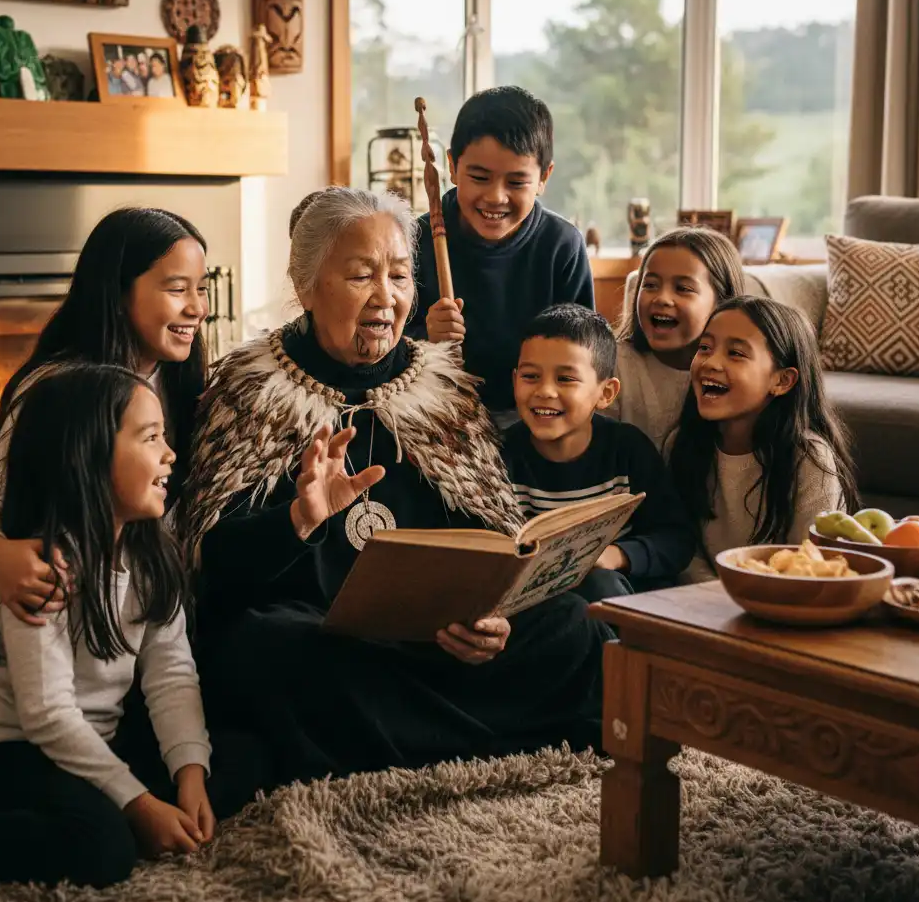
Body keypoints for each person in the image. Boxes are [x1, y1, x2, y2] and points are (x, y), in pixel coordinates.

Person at [176, 186, 613, 788]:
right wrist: (297, 521)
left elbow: (490, 537)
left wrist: (491, 616)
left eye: (401, 276)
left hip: (434, 640)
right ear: (306, 286)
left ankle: (401, 746)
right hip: (324, 636)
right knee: (267, 649)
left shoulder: (444, 389)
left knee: (571, 623)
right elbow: (211, 569)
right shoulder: (250, 391)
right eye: (361, 276)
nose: (387, 297)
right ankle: (485, 742)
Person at [0, 366, 260, 887]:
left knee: (244, 756)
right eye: (151, 437)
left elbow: (172, 674)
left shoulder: (152, 554)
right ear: (89, 457)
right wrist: (137, 804)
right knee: (102, 849)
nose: (170, 454)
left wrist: (189, 777)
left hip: (96, 735)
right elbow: (47, 715)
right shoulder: (41, 570)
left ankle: (126, 802)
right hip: (6, 750)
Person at [0, 207, 210, 721]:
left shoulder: (184, 386)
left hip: (123, 606)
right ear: (119, 292)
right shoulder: (57, 389)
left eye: (201, 289)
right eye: (176, 289)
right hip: (40, 601)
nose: (196, 309)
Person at [405, 86, 594, 423]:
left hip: (534, 418)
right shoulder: (413, 240)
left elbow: (583, 354)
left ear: (544, 178)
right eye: (479, 177)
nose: (496, 197)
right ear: (451, 165)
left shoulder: (562, 245)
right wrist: (425, 337)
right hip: (435, 414)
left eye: (516, 182)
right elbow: (384, 349)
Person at [504, 304, 694, 594]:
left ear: (605, 393)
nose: (544, 391)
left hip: (615, 595)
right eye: (531, 376)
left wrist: (616, 556)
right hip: (537, 604)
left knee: (598, 583)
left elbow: (676, 538)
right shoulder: (499, 455)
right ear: (515, 380)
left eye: (565, 379)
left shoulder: (627, 449)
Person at [668, 296, 859, 581]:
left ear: (782, 381)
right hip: (702, 601)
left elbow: (809, 564)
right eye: (705, 347)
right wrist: (716, 596)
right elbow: (681, 549)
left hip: (785, 604)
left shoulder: (809, 457)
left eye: (736, 353)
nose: (710, 362)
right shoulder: (681, 444)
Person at [607, 226, 746, 451]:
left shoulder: (737, 374)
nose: (662, 298)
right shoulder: (614, 364)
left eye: (683, 288)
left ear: (722, 302)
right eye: (650, 285)